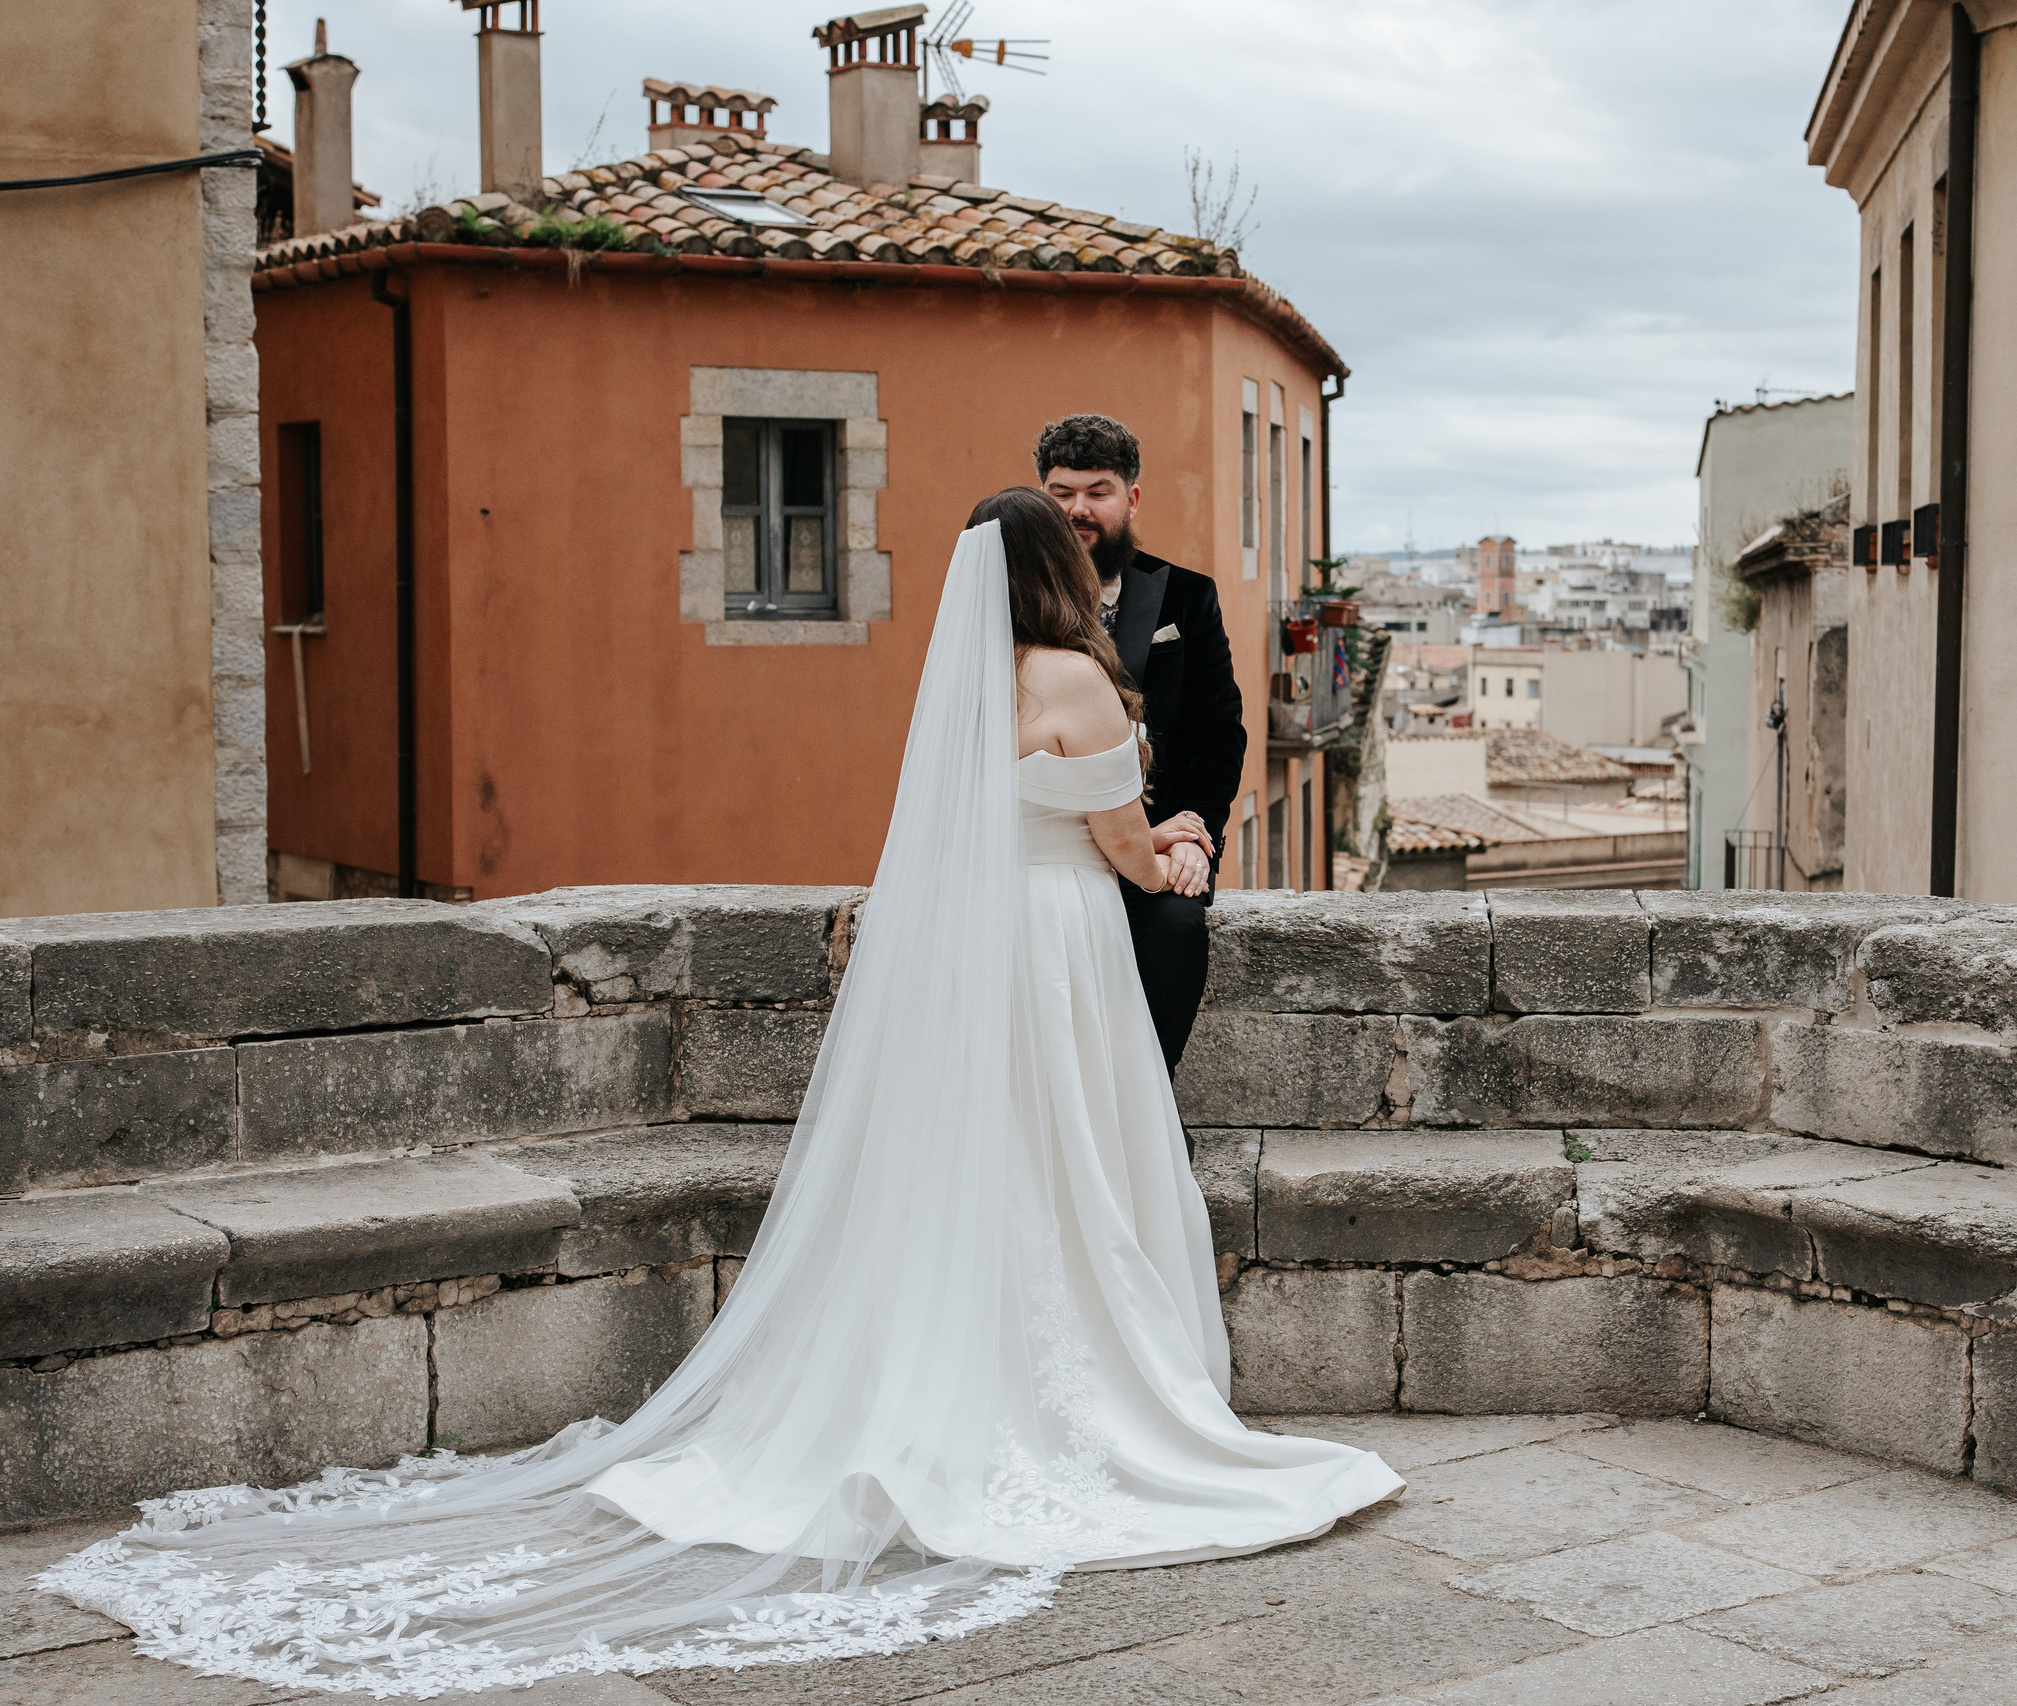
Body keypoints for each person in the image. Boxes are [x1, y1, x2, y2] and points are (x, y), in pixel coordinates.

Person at [39, 492, 1401, 1698]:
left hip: (978, 962)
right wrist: (1178, 837)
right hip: (1056, 955)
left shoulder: (970, 681)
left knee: (982, 1173)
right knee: (1066, 1165)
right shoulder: (1077, 682)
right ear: (1061, 569)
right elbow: (1119, 849)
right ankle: (1064, 1394)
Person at [1037, 414, 1245, 1074]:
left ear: (1132, 496)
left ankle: (1148, 1111)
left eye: (1097, 491)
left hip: (1156, 836)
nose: (1078, 509)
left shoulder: (1187, 595)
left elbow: (1220, 734)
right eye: (1061, 492)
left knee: (1178, 930)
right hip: (1049, 850)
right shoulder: (1010, 602)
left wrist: (1193, 839)